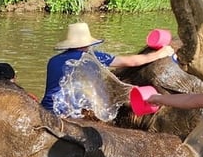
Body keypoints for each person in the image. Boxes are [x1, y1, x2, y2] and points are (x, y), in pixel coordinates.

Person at [41, 22, 174, 114]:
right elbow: (131, 61)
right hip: (67, 112)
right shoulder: (92, 57)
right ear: (87, 43)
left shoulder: (53, 60)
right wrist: (160, 54)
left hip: (46, 107)